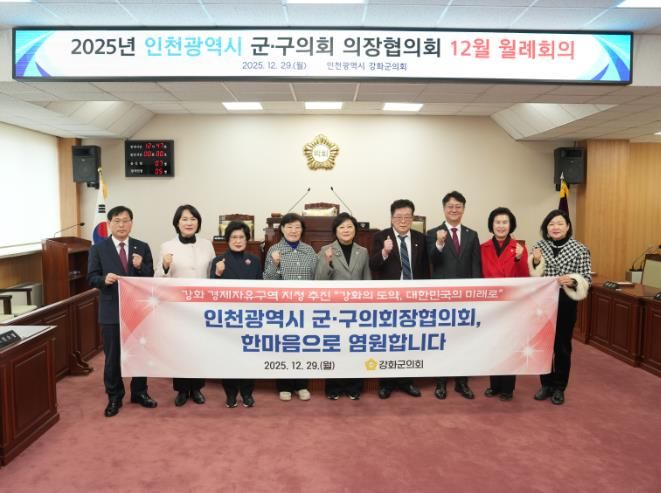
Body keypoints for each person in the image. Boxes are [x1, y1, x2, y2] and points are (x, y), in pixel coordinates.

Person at [87, 205, 157, 417]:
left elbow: (150, 277)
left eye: (126, 221)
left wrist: (140, 266)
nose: (121, 225)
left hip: (137, 310)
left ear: (131, 223)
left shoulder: (141, 247)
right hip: (111, 310)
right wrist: (103, 279)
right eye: (117, 221)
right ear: (109, 224)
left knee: (139, 353)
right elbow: (91, 277)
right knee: (112, 357)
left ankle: (139, 392)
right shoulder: (98, 249)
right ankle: (114, 396)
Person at [155, 204, 215, 407]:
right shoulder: (167, 246)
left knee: (198, 347)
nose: (189, 223)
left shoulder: (207, 245)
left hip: (202, 304)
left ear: (198, 222)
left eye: (193, 219)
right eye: (184, 219)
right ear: (177, 223)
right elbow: (158, 278)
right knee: (179, 348)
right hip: (178, 306)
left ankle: (197, 388)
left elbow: (212, 273)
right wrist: (165, 266)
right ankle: (181, 390)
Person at [529, 209, 591, 405]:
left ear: (567, 226)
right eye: (551, 224)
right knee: (543, 345)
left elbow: (586, 279)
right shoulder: (539, 246)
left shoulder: (580, 249)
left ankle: (559, 387)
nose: (555, 227)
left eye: (559, 223)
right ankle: (545, 384)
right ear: (546, 228)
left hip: (566, 302)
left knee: (562, 347)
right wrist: (536, 262)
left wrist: (573, 281)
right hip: (542, 304)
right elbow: (533, 276)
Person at [369, 199, 428, 399]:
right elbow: (373, 265)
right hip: (389, 298)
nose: (403, 221)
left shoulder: (421, 238)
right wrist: (384, 251)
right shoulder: (380, 237)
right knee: (388, 340)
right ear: (391, 218)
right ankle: (386, 383)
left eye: (407, 217)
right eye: (399, 217)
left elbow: (425, 269)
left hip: (413, 298)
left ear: (412, 218)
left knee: (408, 340)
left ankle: (406, 381)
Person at [426, 190, 482, 400]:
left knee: (463, 340)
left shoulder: (471, 234)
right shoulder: (433, 233)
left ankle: (461, 382)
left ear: (463, 209)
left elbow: (475, 265)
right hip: (442, 297)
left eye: (458, 206)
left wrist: (476, 294)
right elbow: (431, 260)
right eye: (450, 206)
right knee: (442, 339)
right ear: (444, 209)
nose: (454, 210)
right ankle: (441, 382)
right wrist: (440, 243)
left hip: (466, 297)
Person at [315, 212, 371, 400]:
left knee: (355, 348)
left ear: (355, 230)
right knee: (335, 348)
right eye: (342, 227)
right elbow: (319, 281)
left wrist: (366, 306)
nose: (346, 230)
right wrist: (328, 262)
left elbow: (367, 279)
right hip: (334, 310)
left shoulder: (362, 251)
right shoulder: (326, 250)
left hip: (356, 310)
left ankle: (354, 386)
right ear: (335, 231)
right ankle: (334, 387)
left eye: (349, 227)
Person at [264, 212, 318, 401]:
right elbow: (267, 280)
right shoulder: (274, 250)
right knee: (285, 345)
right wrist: (275, 263)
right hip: (283, 308)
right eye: (289, 227)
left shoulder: (309, 250)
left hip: (306, 307)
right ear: (282, 229)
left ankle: (301, 385)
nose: (293, 231)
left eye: (297, 227)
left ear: (302, 230)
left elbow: (315, 278)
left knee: (303, 345)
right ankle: (284, 385)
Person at [210, 221, 262, 409]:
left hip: (249, 317)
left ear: (247, 240)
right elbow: (211, 292)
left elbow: (261, 289)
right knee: (229, 357)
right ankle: (230, 394)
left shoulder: (254, 261)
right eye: (234, 237)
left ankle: (247, 394)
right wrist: (217, 274)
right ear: (227, 240)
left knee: (249, 357)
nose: (238, 241)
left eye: (241, 237)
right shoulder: (218, 261)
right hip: (228, 317)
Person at [480, 207, 529, 401]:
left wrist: (519, 258)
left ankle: (508, 388)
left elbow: (525, 277)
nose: (501, 226)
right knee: (493, 344)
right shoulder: (483, 247)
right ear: (491, 225)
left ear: (511, 225)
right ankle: (494, 385)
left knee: (509, 346)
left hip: (512, 305)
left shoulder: (519, 248)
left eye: (505, 222)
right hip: (490, 303)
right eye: (497, 222)